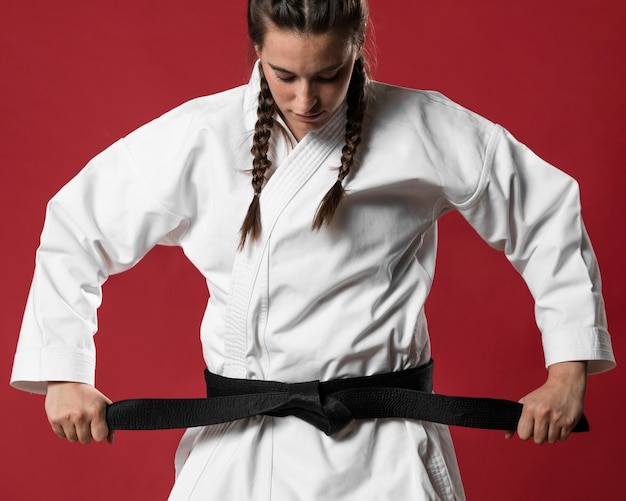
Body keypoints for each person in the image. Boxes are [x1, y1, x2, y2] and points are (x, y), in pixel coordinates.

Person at [10, 0, 615, 499]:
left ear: (357, 48)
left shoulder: (421, 127)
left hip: (387, 450)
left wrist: (567, 368)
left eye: (330, 74)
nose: (306, 100)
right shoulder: (199, 139)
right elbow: (75, 226)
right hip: (243, 444)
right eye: (285, 75)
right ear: (257, 52)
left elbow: (545, 212)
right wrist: (64, 373)